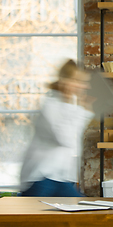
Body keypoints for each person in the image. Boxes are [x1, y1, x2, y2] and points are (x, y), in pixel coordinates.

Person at [20, 59, 95, 197]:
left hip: (60, 178)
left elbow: (74, 143)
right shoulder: (50, 106)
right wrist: (84, 112)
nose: (83, 87)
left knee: (83, 212)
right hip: (40, 177)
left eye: (84, 82)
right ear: (65, 81)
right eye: (78, 81)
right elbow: (66, 140)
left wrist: (82, 111)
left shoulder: (72, 107)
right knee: (32, 218)